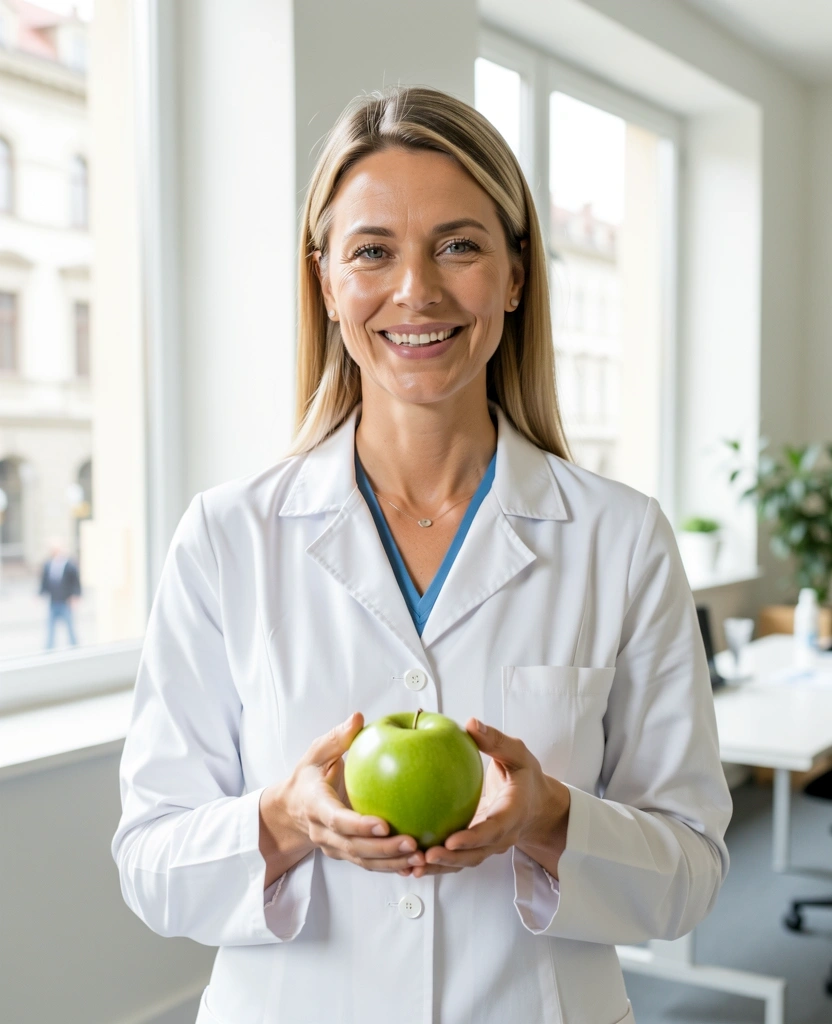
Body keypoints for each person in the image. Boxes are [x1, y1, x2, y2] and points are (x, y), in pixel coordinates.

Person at [112, 87, 732, 1024]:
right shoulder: (226, 537)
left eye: (459, 244)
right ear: (325, 282)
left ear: (516, 274)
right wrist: (282, 820)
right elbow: (150, 866)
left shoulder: (620, 537)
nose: (417, 291)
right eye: (372, 251)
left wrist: (548, 818)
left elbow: (690, 875)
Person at [39, 537, 80, 649]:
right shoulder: (48, 564)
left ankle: (75, 646)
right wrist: (41, 593)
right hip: (53, 601)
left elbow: (75, 581)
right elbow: (45, 581)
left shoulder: (69, 564)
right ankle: (49, 649)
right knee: (50, 627)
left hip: (65, 600)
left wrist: (75, 596)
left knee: (70, 626)